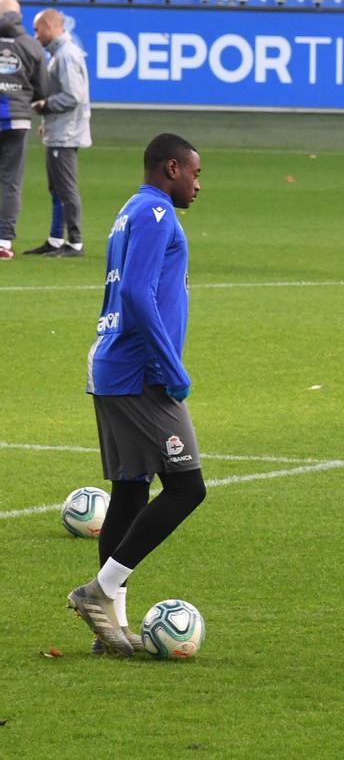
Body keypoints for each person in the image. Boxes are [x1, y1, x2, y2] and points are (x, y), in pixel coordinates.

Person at [67, 134, 205, 657]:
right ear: (172, 168)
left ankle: (112, 629)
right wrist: (171, 366)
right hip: (141, 373)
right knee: (187, 488)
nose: (198, 184)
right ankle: (99, 592)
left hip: (112, 366)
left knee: (129, 490)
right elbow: (134, 293)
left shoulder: (130, 210)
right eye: (194, 173)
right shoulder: (156, 214)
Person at [25, 8, 91, 258]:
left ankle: (75, 243)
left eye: (37, 28)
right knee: (57, 188)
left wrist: (46, 106)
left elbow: (73, 96)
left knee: (65, 188)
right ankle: (55, 239)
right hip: (59, 129)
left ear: (50, 27)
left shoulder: (66, 55)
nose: (35, 34)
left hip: (66, 132)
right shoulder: (62, 54)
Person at [0, 0, 49, 260]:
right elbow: (42, 90)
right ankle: (3, 242)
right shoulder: (31, 45)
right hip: (17, 120)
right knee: (10, 183)